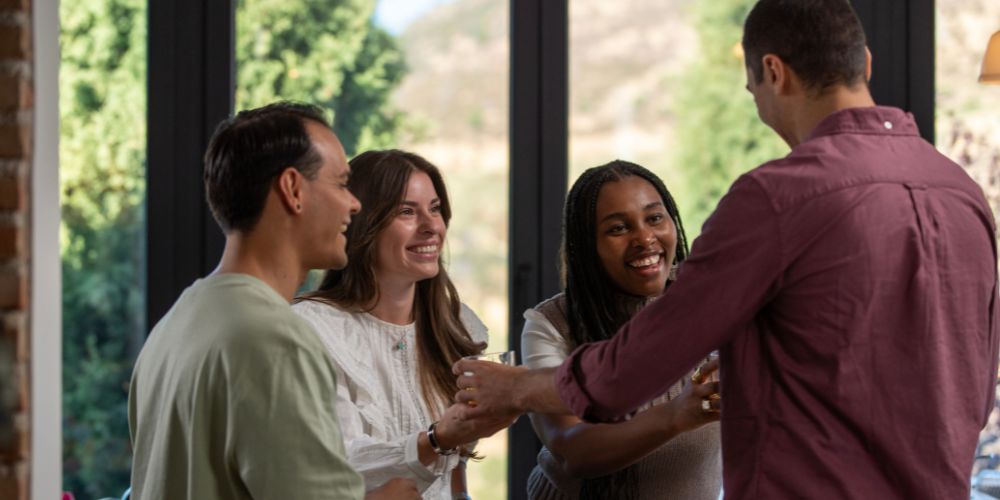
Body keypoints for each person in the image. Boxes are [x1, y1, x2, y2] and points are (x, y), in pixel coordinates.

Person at [454, 1, 1000, 499]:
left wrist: (522, 386)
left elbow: (635, 367)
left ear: (772, 72)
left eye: (753, 91)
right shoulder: (962, 193)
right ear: (868, 64)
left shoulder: (778, 197)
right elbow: (977, 383)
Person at [128, 103, 419, 500]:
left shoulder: (175, 324)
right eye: (340, 184)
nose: (354, 204)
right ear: (293, 189)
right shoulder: (274, 339)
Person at [293, 149, 511, 499]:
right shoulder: (312, 329)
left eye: (435, 208)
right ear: (363, 224)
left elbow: (456, 481)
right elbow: (335, 466)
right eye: (407, 212)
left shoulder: (455, 325)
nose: (431, 227)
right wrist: (438, 438)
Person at [521, 160, 722, 500]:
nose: (645, 238)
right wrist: (677, 414)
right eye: (618, 229)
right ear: (587, 246)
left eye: (654, 218)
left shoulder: (710, 302)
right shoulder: (550, 325)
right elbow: (573, 452)